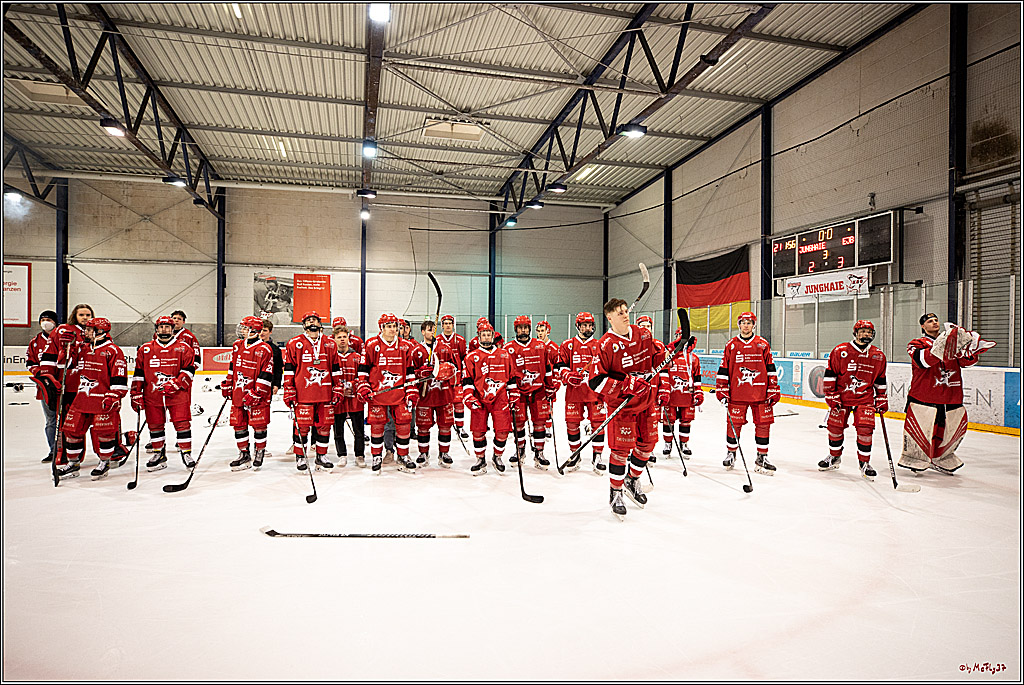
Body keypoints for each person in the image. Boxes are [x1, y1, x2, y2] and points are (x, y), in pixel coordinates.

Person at [578, 298, 665, 520]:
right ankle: (615, 491)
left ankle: (632, 479)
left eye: (626, 311)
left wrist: (673, 351)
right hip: (622, 406)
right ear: (609, 318)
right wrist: (626, 385)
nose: (625, 315)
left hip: (646, 401)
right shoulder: (605, 344)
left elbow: (655, 359)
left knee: (648, 444)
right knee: (620, 451)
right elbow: (596, 381)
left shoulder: (643, 334)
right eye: (620, 313)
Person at [900, 313, 995, 474]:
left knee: (948, 430)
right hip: (924, 395)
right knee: (922, 429)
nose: (934, 323)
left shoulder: (953, 343)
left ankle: (941, 457)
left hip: (951, 395)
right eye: (929, 321)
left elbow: (965, 362)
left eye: (936, 320)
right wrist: (942, 346)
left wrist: (973, 350)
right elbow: (922, 361)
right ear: (923, 326)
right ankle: (915, 457)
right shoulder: (916, 343)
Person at [53, 318, 129, 480]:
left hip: (102, 400)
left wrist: (114, 394)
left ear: (100, 332)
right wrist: (66, 347)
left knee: (104, 433)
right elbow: (64, 365)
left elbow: (119, 376)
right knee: (71, 431)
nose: (85, 332)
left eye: (89, 329)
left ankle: (104, 462)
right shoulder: (82, 348)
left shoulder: (113, 350)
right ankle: (73, 464)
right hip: (82, 399)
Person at [819, 320, 888, 480]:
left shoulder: (878, 355)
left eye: (869, 332)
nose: (866, 334)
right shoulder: (840, 351)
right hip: (841, 398)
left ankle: (865, 463)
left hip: (865, 399)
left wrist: (882, 397)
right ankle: (834, 456)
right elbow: (830, 374)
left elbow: (880, 379)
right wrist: (831, 394)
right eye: (862, 331)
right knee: (835, 428)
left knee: (865, 430)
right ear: (855, 333)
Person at [357, 313, 424, 474]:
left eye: (395, 326)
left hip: (399, 394)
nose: (393, 329)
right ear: (381, 328)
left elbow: (409, 372)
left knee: (404, 424)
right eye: (389, 326)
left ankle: (403, 455)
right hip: (378, 394)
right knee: (377, 426)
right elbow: (363, 370)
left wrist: (411, 390)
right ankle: (376, 456)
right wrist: (364, 386)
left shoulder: (405, 346)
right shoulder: (371, 344)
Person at [715, 311, 779, 476]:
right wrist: (722, 388)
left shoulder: (762, 344)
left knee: (763, 424)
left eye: (749, 323)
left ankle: (762, 456)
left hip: (760, 393)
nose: (746, 325)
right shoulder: (731, 345)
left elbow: (770, 367)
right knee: (734, 424)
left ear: (753, 325)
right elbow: (723, 368)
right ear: (739, 325)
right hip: (737, 393)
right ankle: (731, 453)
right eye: (743, 322)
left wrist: (773, 388)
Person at [132, 316, 198, 471]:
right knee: (155, 424)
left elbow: (189, 370)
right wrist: (135, 392)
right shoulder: (145, 349)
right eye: (161, 326)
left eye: (167, 326)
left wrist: (176, 383)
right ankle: (159, 453)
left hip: (178, 394)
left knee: (182, 423)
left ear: (172, 329)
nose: (164, 329)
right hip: (152, 394)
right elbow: (139, 373)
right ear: (156, 329)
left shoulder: (183, 348)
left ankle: (186, 453)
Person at [283, 311, 341, 472]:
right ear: (303, 325)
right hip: (303, 394)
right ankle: (301, 457)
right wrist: (289, 389)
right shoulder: (294, 343)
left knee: (325, 426)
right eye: (308, 321)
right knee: (302, 427)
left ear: (320, 323)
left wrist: (338, 387)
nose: (312, 323)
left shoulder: (330, 343)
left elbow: (335, 368)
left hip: (325, 393)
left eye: (314, 320)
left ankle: (321, 456)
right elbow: (289, 369)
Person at [461, 320, 519, 475]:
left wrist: (513, 394)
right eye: (483, 334)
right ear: (478, 336)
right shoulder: (471, 357)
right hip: (479, 397)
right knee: (478, 431)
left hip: (500, 397)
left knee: (503, 430)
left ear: (493, 336)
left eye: (489, 334)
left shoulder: (504, 355)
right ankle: (480, 459)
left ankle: (497, 456)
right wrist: (468, 396)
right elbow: (467, 380)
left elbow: (511, 377)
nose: (486, 337)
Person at [39, 303, 94, 467]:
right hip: (69, 386)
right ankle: (65, 453)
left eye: (88, 315)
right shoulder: (62, 330)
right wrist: (49, 378)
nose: (85, 318)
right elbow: (49, 357)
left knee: (97, 422)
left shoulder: (97, 331)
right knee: (67, 423)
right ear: (74, 316)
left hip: (90, 387)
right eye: (81, 315)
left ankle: (107, 451)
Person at [556, 312, 607, 474]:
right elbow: (560, 365)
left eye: (590, 325)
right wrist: (568, 375)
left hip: (594, 393)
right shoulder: (567, 345)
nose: (587, 328)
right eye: (584, 325)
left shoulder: (599, 345)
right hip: (574, 392)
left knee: (598, 423)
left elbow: (605, 368)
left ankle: (597, 456)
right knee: (572, 424)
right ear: (578, 326)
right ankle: (575, 454)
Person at [505, 315, 558, 470]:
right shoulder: (509, 348)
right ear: (516, 329)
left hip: (538, 390)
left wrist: (550, 386)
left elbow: (547, 368)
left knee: (540, 422)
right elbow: (506, 372)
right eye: (520, 328)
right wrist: (510, 390)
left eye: (525, 327)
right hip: (518, 391)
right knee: (519, 423)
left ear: (529, 329)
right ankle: (520, 450)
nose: (523, 330)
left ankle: (539, 452)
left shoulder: (540, 346)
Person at [223, 316, 275, 471]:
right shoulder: (237, 345)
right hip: (239, 392)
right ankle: (243, 453)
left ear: (254, 330)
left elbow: (267, 373)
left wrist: (257, 392)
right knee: (238, 424)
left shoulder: (265, 349)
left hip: (257, 395)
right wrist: (228, 383)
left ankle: (259, 451)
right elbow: (232, 366)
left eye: (246, 328)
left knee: (259, 425)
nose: (243, 330)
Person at [415, 320, 460, 468]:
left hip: (443, 394)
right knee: (423, 426)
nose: (432, 332)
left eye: (434, 329)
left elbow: (456, 367)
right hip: (425, 396)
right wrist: (420, 373)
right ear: (423, 332)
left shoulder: (445, 348)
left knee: (445, 425)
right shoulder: (417, 350)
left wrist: (447, 369)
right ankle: (423, 453)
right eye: (429, 330)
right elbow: (410, 372)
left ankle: (444, 453)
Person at [658, 332, 702, 460]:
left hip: (687, 395)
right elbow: (662, 373)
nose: (681, 338)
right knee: (668, 420)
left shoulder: (694, 358)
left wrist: (698, 392)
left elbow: (697, 377)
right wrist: (662, 391)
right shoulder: (668, 355)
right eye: (679, 335)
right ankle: (667, 444)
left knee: (686, 420)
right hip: (671, 395)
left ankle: (684, 444)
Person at [26, 309, 59, 463]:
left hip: (62, 385)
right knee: (51, 420)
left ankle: (68, 450)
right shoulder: (35, 342)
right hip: (45, 388)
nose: (46, 322)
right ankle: (53, 450)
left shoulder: (61, 338)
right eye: (43, 319)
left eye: (49, 320)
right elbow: (30, 362)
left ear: (55, 322)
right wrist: (40, 373)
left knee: (66, 420)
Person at [332, 323, 366, 467]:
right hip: (338, 399)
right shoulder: (331, 358)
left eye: (344, 337)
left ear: (348, 339)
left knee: (359, 430)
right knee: (338, 430)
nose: (342, 339)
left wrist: (352, 385)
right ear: (334, 339)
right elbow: (329, 378)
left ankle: (359, 455)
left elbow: (363, 376)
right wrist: (339, 389)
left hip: (355, 399)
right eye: (339, 337)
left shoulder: (357, 357)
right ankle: (342, 455)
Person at [637, 315, 668, 463]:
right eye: (642, 326)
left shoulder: (658, 346)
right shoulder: (631, 345)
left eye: (648, 326)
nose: (646, 329)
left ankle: (649, 450)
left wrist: (664, 390)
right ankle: (634, 449)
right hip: (636, 393)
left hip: (653, 393)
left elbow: (664, 371)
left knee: (651, 423)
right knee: (634, 423)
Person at [438, 314, 469, 440]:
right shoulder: (437, 340)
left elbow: (463, 358)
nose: (448, 326)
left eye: (450, 323)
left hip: (456, 377)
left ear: (453, 325)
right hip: (442, 378)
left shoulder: (460, 340)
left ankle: (460, 427)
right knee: (445, 404)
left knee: (458, 403)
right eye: (445, 323)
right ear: (442, 326)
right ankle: (446, 426)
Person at [535, 320, 559, 439]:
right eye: (538, 331)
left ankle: (548, 427)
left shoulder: (553, 347)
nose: (540, 333)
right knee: (537, 406)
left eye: (542, 331)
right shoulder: (535, 346)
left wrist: (556, 381)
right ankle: (539, 427)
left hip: (549, 381)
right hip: (537, 381)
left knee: (548, 405)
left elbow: (558, 366)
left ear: (547, 332)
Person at [258, 319, 283, 397]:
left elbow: (278, 369)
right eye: (260, 330)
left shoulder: (276, 350)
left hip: (268, 383)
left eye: (265, 330)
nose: (262, 333)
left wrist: (276, 384)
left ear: (270, 332)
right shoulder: (252, 347)